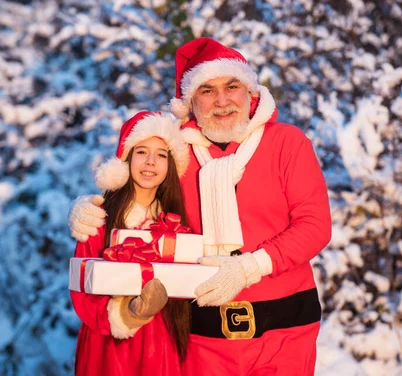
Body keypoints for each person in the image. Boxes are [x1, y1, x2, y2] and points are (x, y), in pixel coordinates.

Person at [69, 38, 332, 375]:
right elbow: (134, 189)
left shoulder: (286, 142)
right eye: (207, 90)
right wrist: (87, 208)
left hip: (285, 329)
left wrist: (248, 268)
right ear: (190, 102)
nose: (222, 101)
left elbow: (314, 226)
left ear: (250, 93)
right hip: (200, 335)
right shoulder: (176, 153)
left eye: (232, 86)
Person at [70, 111, 191, 376]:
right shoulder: (99, 217)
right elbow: (81, 288)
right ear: (126, 157)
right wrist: (125, 315)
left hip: (163, 344)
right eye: (142, 152)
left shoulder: (176, 222)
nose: (151, 162)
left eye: (161, 154)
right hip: (109, 346)